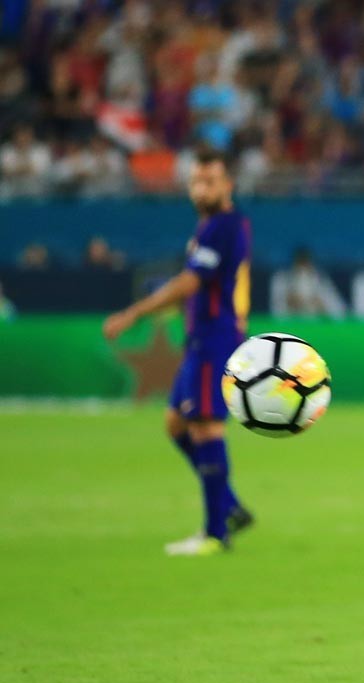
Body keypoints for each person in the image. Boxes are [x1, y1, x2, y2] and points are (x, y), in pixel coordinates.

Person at [102, 148, 253, 556]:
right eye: (196, 181)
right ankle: (228, 504)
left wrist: (133, 313)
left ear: (228, 185)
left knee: (206, 427)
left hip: (216, 338)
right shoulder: (210, 226)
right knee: (176, 424)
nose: (201, 189)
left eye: (210, 181)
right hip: (200, 339)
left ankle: (215, 532)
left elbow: (191, 282)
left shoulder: (224, 226)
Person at [270, 246, 346, 319]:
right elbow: (275, 314)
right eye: (299, 263)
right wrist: (288, 304)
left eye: (306, 263)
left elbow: (341, 314)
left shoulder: (320, 280)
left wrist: (322, 306)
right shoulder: (281, 280)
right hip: (290, 325)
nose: (302, 269)